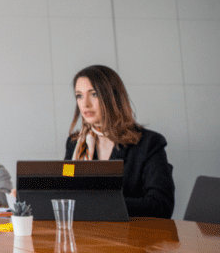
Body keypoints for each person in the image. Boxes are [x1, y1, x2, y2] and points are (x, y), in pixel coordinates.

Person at [65, 65, 175, 219]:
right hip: (87, 235)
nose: (85, 104)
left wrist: (99, 204)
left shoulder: (149, 144)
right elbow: (66, 182)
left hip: (135, 238)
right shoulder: (75, 144)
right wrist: (31, 193)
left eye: (94, 94)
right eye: (79, 95)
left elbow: (161, 206)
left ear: (112, 97)